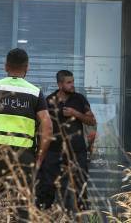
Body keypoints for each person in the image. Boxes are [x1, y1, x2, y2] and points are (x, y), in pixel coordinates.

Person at [0, 48, 52, 221]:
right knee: (21, 210)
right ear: (27, 67)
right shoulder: (35, 92)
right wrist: (38, 159)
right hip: (24, 159)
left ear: (6, 66)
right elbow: (47, 127)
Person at [36, 70, 97, 214]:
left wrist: (75, 113)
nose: (72, 85)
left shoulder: (79, 99)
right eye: (69, 82)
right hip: (53, 151)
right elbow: (41, 126)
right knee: (47, 187)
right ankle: (45, 215)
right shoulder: (49, 100)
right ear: (59, 84)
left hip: (76, 152)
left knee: (79, 187)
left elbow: (92, 120)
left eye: (73, 82)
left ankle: (80, 217)